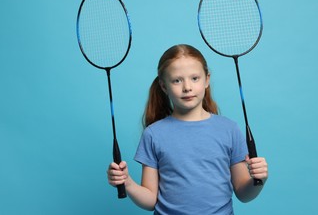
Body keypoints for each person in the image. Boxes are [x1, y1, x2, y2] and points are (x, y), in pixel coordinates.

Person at [107, 44, 268, 214]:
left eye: (195, 78)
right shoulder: (153, 134)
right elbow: (151, 200)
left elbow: (244, 194)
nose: (187, 87)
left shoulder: (229, 129)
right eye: (177, 80)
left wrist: (259, 180)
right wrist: (128, 182)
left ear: (207, 79)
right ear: (163, 86)